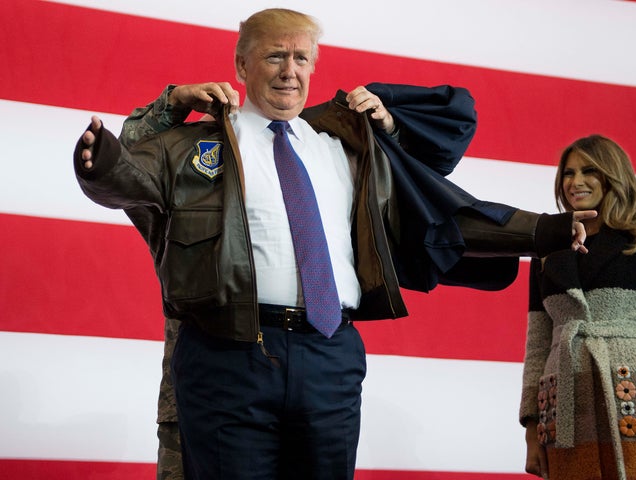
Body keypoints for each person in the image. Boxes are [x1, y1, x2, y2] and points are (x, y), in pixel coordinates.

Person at [74, 8, 595, 480]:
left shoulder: (344, 145)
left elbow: (443, 217)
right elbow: (128, 177)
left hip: (330, 357)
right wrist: (96, 162)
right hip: (227, 357)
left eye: (301, 58)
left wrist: (545, 230)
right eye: (275, 56)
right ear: (241, 64)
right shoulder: (195, 144)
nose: (289, 70)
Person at [519, 134, 636, 480]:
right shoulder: (547, 249)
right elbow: (537, 344)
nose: (576, 181)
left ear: (612, 175)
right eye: (568, 173)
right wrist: (531, 430)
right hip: (565, 411)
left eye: (590, 171)